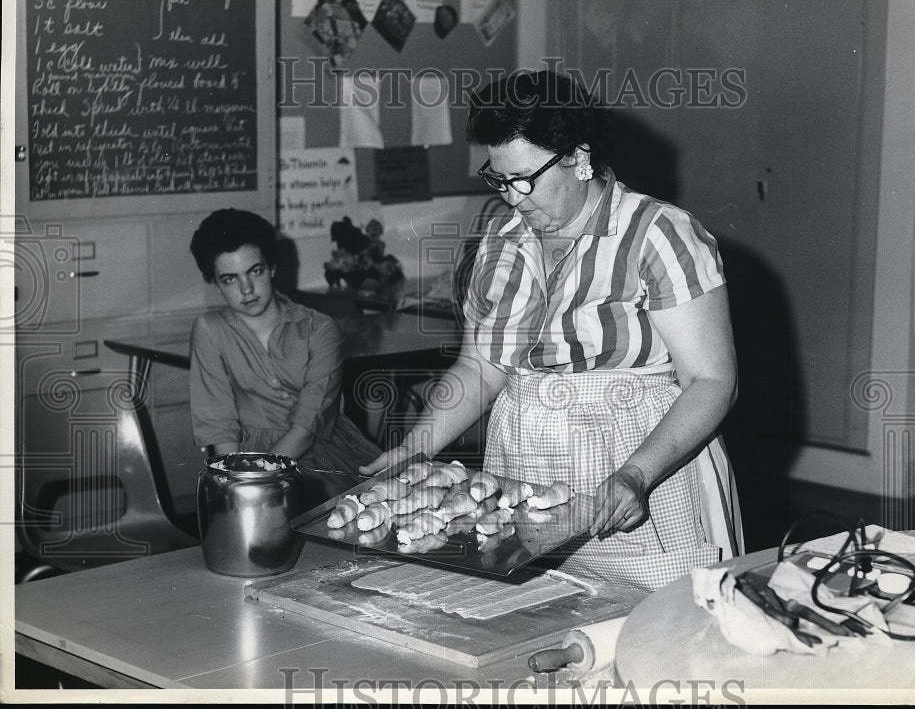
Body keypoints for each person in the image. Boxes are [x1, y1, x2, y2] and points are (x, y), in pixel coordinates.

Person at [362, 69, 744, 591]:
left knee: (647, 630)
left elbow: (711, 381)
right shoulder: (502, 241)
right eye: (499, 180)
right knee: (527, 622)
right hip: (522, 469)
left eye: (526, 180)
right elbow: (482, 366)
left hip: (634, 470)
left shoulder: (660, 235)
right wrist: (415, 448)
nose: (514, 199)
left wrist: (636, 475)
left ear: (579, 157)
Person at [188, 209, 380, 496]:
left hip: (324, 452)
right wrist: (234, 483)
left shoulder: (320, 330)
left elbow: (306, 428)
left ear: (272, 267)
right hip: (245, 459)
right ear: (215, 284)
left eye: (255, 271)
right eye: (229, 279)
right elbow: (219, 427)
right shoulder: (209, 330)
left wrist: (255, 481)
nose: (246, 289)